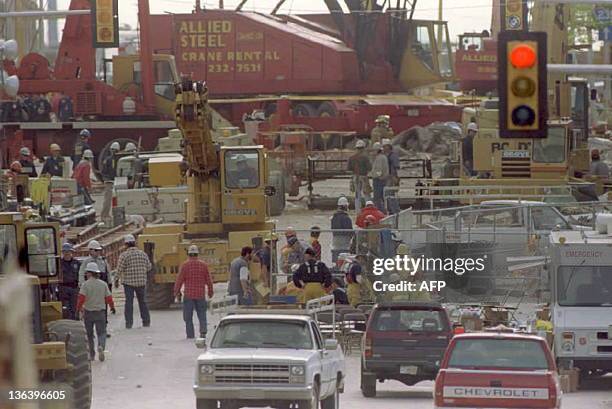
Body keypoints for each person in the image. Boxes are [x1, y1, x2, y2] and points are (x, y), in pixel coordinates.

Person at [77, 262, 116, 362]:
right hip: (100, 312)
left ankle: (92, 354)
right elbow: (109, 298)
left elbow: (81, 299)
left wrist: (78, 309)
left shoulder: (85, 285)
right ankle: (101, 347)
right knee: (102, 333)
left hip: (88, 313)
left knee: (89, 335)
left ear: (89, 273)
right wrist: (112, 307)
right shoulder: (103, 284)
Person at [174, 245, 214, 340]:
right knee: (202, 315)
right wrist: (210, 291)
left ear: (188, 254)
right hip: (200, 294)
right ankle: (203, 332)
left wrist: (176, 292)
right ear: (197, 254)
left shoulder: (185, 265)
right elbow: (209, 280)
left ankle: (190, 335)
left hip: (188, 295)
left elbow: (179, 280)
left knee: (188, 317)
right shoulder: (203, 265)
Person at [115, 234, 152, 329]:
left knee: (129, 303)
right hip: (141, 282)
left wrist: (116, 280)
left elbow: (119, 270)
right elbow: (149, 267)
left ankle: (129, 323)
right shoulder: (143, 254)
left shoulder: (124, 255)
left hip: (128, 283)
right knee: (143, 302)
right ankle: (146, 321)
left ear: (126, 244)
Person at [347, 139, 372, 212]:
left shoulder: (351, 158)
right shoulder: (365, 157)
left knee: (357, 195)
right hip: (364, 177)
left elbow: (349, 169)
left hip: (355, 177)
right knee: (367, 194)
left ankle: (358, 210)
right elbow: (369, 168)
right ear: (363, 148)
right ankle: (368, 209)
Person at [59, 242, 81, 320]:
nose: (67, 253)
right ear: (62, 253)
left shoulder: (77, 263)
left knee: (75, 308)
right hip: (63, 288)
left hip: (74, 288)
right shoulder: (59, 263)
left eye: (68, 251)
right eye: (65, 252)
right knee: (65, 308)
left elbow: (81, 275)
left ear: (71, 252)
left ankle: (75, 322)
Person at [100, 142, 120, 223]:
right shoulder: (108, 160)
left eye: (115, 150)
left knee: (118, 199)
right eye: (113, 150)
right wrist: (107, 180)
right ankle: (104, 215)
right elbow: (104, 172)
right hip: (109, 182)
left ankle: (116, 214)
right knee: (107, 199)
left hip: (117, 181)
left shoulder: (119, 159)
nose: (114, 152)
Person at [330, 196, 353, 263]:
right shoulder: (346, 218)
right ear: (345, 206)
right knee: (344, 258)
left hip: (335, 240)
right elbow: (350, 231)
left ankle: (335, 268)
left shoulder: (334, 217)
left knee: (336, 256)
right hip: (345, 241)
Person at [370, 142, 389, 212]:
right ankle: (382, 211)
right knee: (381, 197)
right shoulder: (383, 157)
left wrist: (376, 176)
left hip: (378, 180)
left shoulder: (379, 158)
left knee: (377, 197)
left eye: (374, 150)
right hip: (382, 179)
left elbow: (379, 170)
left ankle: (379, 211)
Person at [383, 139, 400, 214]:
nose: (383, 148)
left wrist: (395, 177)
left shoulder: (393, 156)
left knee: (390, 195)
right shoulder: (385, 156)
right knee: (387, 195)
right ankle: (391, 210)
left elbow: (396, 167)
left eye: (385, 146)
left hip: (392, 178)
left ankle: (395, 210)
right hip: (387, 178)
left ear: (388, 146)